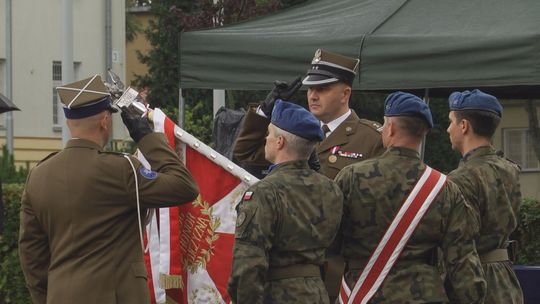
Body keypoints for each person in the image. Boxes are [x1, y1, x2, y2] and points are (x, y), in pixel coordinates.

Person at [18, 75, 199, 304]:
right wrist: (146, 138)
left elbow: (31, 255)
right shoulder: (121, 170)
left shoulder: (38, 176)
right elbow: (184, 186)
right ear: (105, 121)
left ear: (68, 123)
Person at [233, 49, 384, 300]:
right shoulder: (293, 132)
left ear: (345, 93)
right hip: (284, 269)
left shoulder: (370, 139)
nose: (313, 95)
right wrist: (264, 111)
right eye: (310, 89)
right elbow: (245, 151)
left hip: (338, 270)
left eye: (323, 89)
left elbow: (374, 210)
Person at [334, 91, 486, 303]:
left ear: (391, 128)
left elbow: (331, 239)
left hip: (362, 292)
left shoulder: (351, 177)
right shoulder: (444, 188)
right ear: (424, 133)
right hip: (424, 294)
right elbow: (462, 262)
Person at [228, 99, 343, 304]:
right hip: (317, 293)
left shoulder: (264, 192)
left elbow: (247, 266)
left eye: (269, 134)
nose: (266, 139)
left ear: (280, 142)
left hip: (277, 294)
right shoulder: (331, 189)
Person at [447, 89, 524, 303]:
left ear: (464, 126)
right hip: (506, 278)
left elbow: (460, 244)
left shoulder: (461, 178)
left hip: (475, 281)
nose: (448, 129)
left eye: (451, 121)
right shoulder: (509, 168)